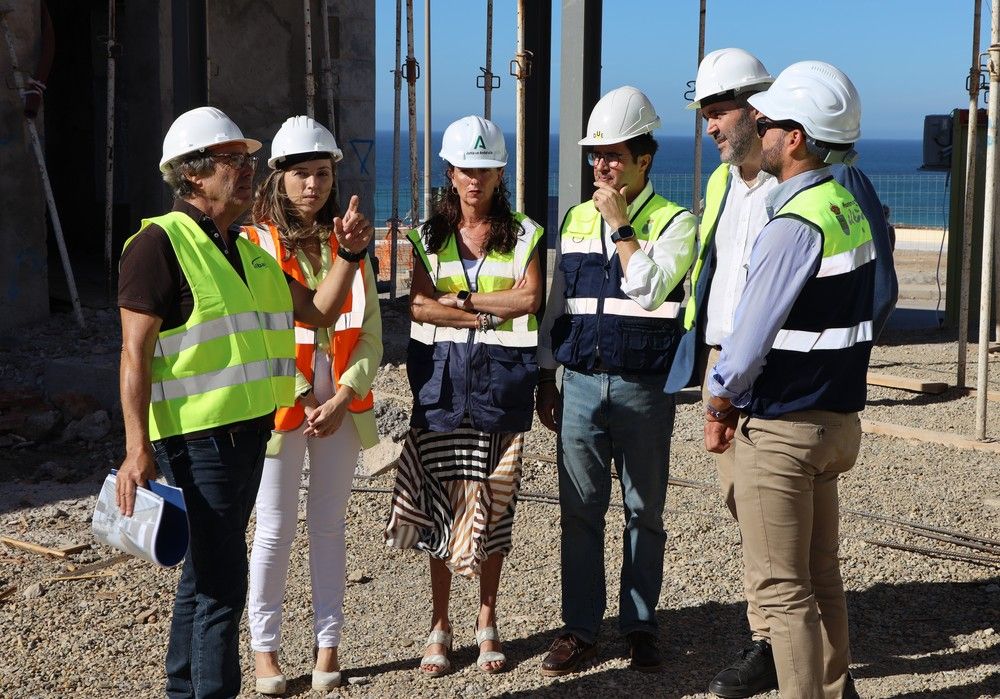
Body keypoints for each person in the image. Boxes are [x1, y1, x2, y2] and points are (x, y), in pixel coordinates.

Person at [116, 106, 373, 699]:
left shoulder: (251, 253)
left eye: (248, 159)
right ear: (193, 174)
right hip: (198, 441)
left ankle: (184, 689)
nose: (248, 169)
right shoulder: (158, 245)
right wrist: (136, 449)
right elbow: (134, 355)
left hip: (251, 436)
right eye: (235, 160)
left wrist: (350, 255)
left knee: (203, 575)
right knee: (222, 588)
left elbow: (321, 311)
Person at [703, 61, 872, 699]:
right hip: (835, 418)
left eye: (769, 121)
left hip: (785, 425)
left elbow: (747, 340)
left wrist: (719, 397)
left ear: (795, 137)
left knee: (782, 590)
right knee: (821, 574)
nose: (760, 127)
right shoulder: (845, 205)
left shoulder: (794, 222)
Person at [535, 86, 696, 675]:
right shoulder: (576, 220)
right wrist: (546, 376)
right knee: (578, 512)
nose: (601, 166)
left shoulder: (675, 222)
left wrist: (623, 227)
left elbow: (649, 289)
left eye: (613, 155)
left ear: (643, 160)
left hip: (643, 389)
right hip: (578, 384)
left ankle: (639, 625)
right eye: (594, 155)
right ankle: (580, 629)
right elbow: (560, 306)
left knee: (643, 511)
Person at [384, 115, 544, 677]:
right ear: (450, 173)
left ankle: (487, 621)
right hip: (441, 390)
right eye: (464, 169)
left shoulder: (525, 233)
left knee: (494, 509)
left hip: (501, 390)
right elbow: (420, 308)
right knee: (439, 509)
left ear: (500, 172)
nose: (474, 179)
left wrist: (465, 301)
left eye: (485, 168)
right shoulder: (426, 237)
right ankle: (439, 625)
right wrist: (483, 307)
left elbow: (529, 300)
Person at [242, 116, 382, 695]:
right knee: (273, 530)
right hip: (282, 409)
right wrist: (303, 398)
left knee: (328, 527)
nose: (313, 185)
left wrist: (344, 394)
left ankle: (329, 646)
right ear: (278, 178)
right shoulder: (254, 246)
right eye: (301, 173)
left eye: (322, 173)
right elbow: (255, 336)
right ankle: (265, 652)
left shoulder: (348, 247)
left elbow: (370, 333)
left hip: (342, 408)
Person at [666, 48, 782, 698]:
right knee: (743, 501)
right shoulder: (719, 184)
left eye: (717, 111)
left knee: (768, 504)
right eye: (705, 114)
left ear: (754, 107)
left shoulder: (787, 186)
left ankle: (771, 638)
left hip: (764, 367)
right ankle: (781, 627)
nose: (709, 126)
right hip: (722, 361)